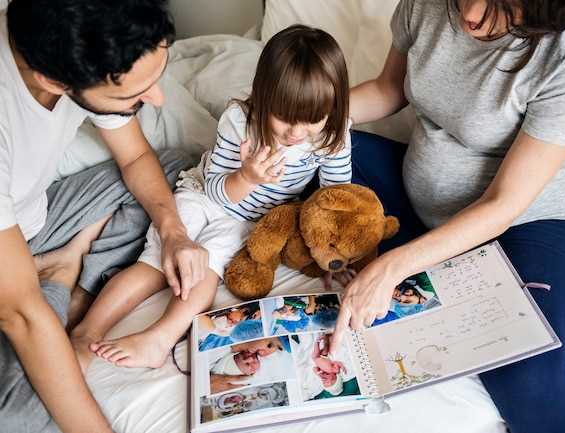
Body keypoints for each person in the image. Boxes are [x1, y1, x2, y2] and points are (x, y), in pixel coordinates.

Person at [331, 1, 565, 432]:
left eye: (504, 5)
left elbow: (503, 203)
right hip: (426, 207)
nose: (470, 13)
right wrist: (309, 118)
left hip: (539, 224)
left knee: (525, 372)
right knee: (320, 151)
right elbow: (390, 88)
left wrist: (391, 266)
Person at [72, 24, 352, 371]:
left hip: (248, 222)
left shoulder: (332, 137)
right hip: (204, 194)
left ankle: (159, 338)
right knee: (155, 262)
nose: (296, 132)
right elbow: (218, 189)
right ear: (263, 96)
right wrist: (247, 177)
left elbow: (336, 200)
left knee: (205, 270)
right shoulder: (240, 120)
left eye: (311, 120)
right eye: (283, 118)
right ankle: (86, 331)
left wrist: (336, 254)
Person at [0, 1, 210, 432]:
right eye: (133, 96)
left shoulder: (78, 34)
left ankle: (65, 267)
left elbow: (135, 158)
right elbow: (20, 315)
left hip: (36, 221)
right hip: (12, 271)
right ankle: (62, 281)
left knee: (179, 174)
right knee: (19, 417)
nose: (157, 99)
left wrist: (172, 234)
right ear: (54, 81)